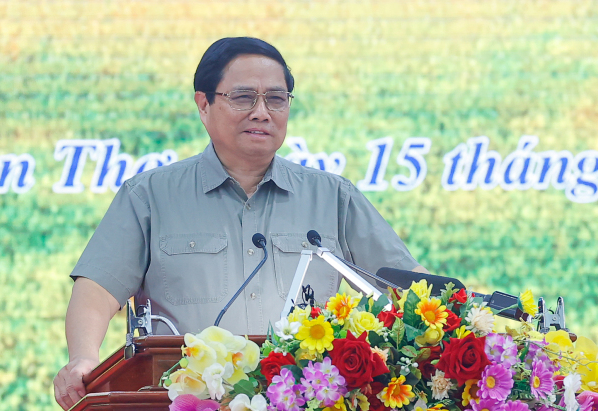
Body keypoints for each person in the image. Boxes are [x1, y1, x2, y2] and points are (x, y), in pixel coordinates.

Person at [53, 37, 427, 409]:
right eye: (244, 97)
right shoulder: (148, 196)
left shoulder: (333, 197)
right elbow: (97, 289)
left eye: (276, 99)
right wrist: (84, 357)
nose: (262, 112)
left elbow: (409, 287)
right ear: (204, 104)